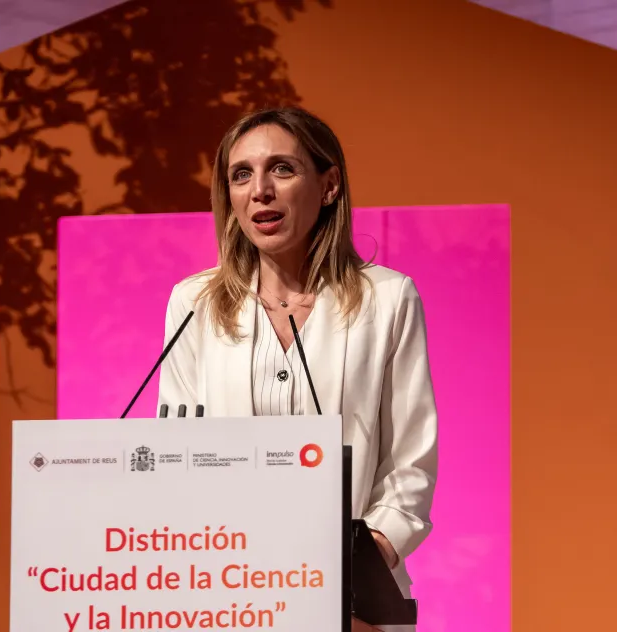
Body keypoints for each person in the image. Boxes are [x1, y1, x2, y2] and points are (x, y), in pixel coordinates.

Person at [157, 106, 438, 632]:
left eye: (282, 169)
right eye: (242, 175)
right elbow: (176, 457)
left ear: (329, 186)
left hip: (353, 607)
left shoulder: (388, 299)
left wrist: (357, 572)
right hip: (227, 597)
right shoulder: (193, 304)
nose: (260, 190)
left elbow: (410, 462)